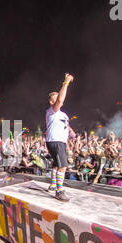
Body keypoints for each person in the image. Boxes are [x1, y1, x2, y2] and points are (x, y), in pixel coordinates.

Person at [45, 73, 74, 201]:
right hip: (55, 140)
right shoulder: (51, 111)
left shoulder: (63, 114)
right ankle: (59, 191)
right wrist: (66, 82)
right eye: (56, 99)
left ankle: (53, 185)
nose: (59, 101)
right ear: (52, 102)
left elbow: (66, 125)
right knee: (63, 165)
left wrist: (72, 133)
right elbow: (61, 100)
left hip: (61, 141)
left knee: (57, 165)